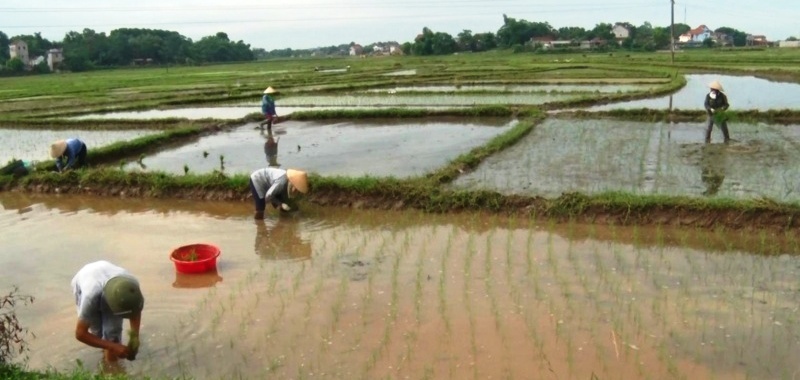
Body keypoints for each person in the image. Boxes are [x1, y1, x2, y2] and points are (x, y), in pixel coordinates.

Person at [71, 260, 144, 363]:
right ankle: (109, 353)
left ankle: (111, 370)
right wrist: (113, 347)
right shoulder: (90, 297)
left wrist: (135, 337)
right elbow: (80, 334)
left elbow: (135, 309)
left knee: (112, 335)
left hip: (113, 284)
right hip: (87, 278)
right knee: (98, 335)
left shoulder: (131, 286)